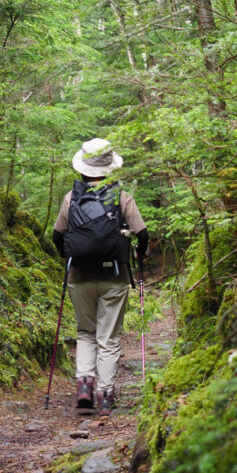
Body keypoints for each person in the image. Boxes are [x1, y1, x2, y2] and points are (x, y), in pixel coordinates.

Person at [52, 138, 148, 416]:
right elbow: (142, 234)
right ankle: (105, 396)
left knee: (85, 332)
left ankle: (84, 387)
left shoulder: (71, 198)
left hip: (79, 275)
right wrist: (140, 255)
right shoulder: (121, 196)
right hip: (114, 277)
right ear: (109, 168)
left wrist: (68, 258)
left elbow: (57, 236)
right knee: (109, 338)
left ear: (82, 168)